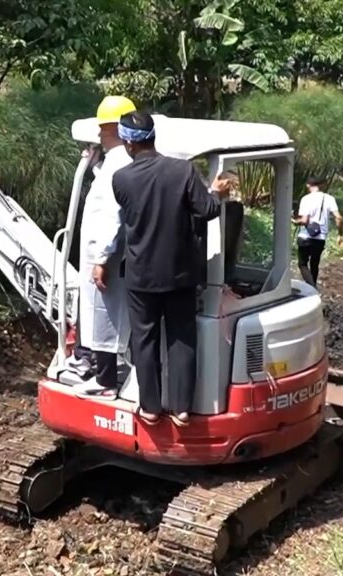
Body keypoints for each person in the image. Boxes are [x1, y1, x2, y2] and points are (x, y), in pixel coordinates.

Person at [111, 110, 234, 426]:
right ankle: (181, 409)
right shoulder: (183, 171)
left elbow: (136, 218)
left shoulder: (121, 179)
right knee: (181, 339)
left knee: (145, 339)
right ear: (153, 137)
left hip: (141, 277)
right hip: (180, 274)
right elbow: (206, 211)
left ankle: (150, 408)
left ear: (128, 142)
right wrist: (215, 194)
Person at [68, 95, 137, 398]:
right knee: (104, 314)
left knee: (103, 314)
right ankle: (105, 373)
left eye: (103, 128)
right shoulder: (118, 161)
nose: (99, 134)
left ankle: (106, 379)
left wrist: (102, 259)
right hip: (105, 255)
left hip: (104, 257)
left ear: (116, 128)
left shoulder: (119, 164)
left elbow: (112, 216)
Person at [293, 177, 343, 288]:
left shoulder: (306, 199)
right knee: (314, 264)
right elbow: (339, 218)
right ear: (321, 185)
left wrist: (294, 221)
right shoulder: (329, 199)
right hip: (320, 238)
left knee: (302, 264)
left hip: (305, 237)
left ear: (308, 185)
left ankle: (311, 287)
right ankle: (313, 287)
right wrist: (340, 235)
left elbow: (304, 221)